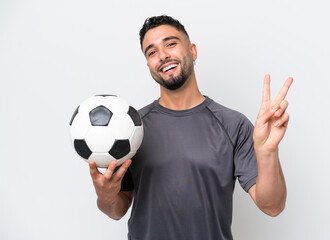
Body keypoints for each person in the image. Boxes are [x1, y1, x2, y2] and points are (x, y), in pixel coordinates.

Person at [89, 15, 293, 240]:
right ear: (148, 64)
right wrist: (105, 195)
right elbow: (116, 209)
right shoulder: (131, 128)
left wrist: (267, 152)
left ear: (192, 50)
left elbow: (272, 206)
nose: (163, 55)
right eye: (152, 52)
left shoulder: (233, 124)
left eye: (171, 44)